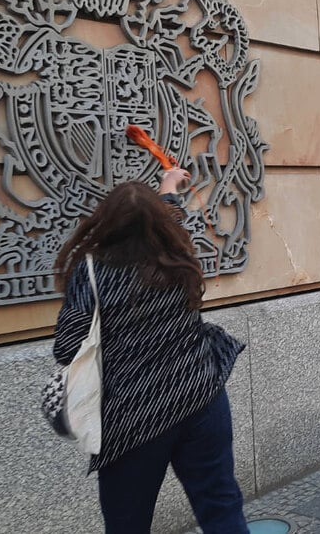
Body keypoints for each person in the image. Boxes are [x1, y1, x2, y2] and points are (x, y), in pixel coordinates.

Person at [53, 169, 249, 533]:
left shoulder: (92, 271)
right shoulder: (178, 257)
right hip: (201, 397)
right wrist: (169, 189)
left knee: (127, 522)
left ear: (105, 223)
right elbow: (171, 220)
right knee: (221, 507)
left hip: (134, 417)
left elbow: (67, 348)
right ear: (158, 223)